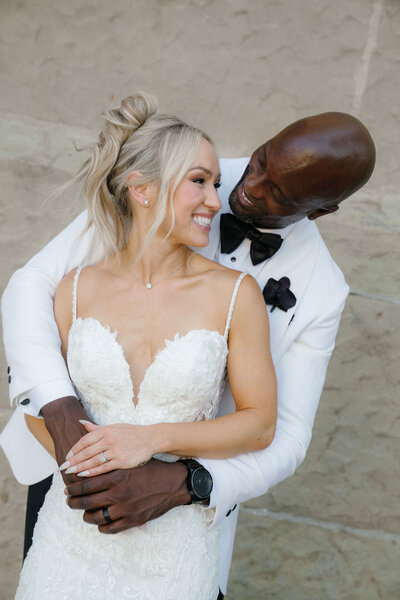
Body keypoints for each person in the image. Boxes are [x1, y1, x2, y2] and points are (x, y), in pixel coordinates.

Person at [0, 106, 375, 598]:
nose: (244, 189)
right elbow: (33, 287)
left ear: (322, 211)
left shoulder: (322, 290)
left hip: (183, 513)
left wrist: (184, 482)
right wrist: (59, 411)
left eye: (277, 192)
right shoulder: (179, 173)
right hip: (70, 479)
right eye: (260, 161)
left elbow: (284, 434)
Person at [11, 93, 277, 598]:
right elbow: (34, 407)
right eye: (199, 181)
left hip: (172, 552)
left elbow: (260, 423)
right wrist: (92, 478)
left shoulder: (235, 296)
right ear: (143, 189)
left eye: (216, 184)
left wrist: (150, 439)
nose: (216, 201)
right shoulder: (73, 288)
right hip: (69, 542)